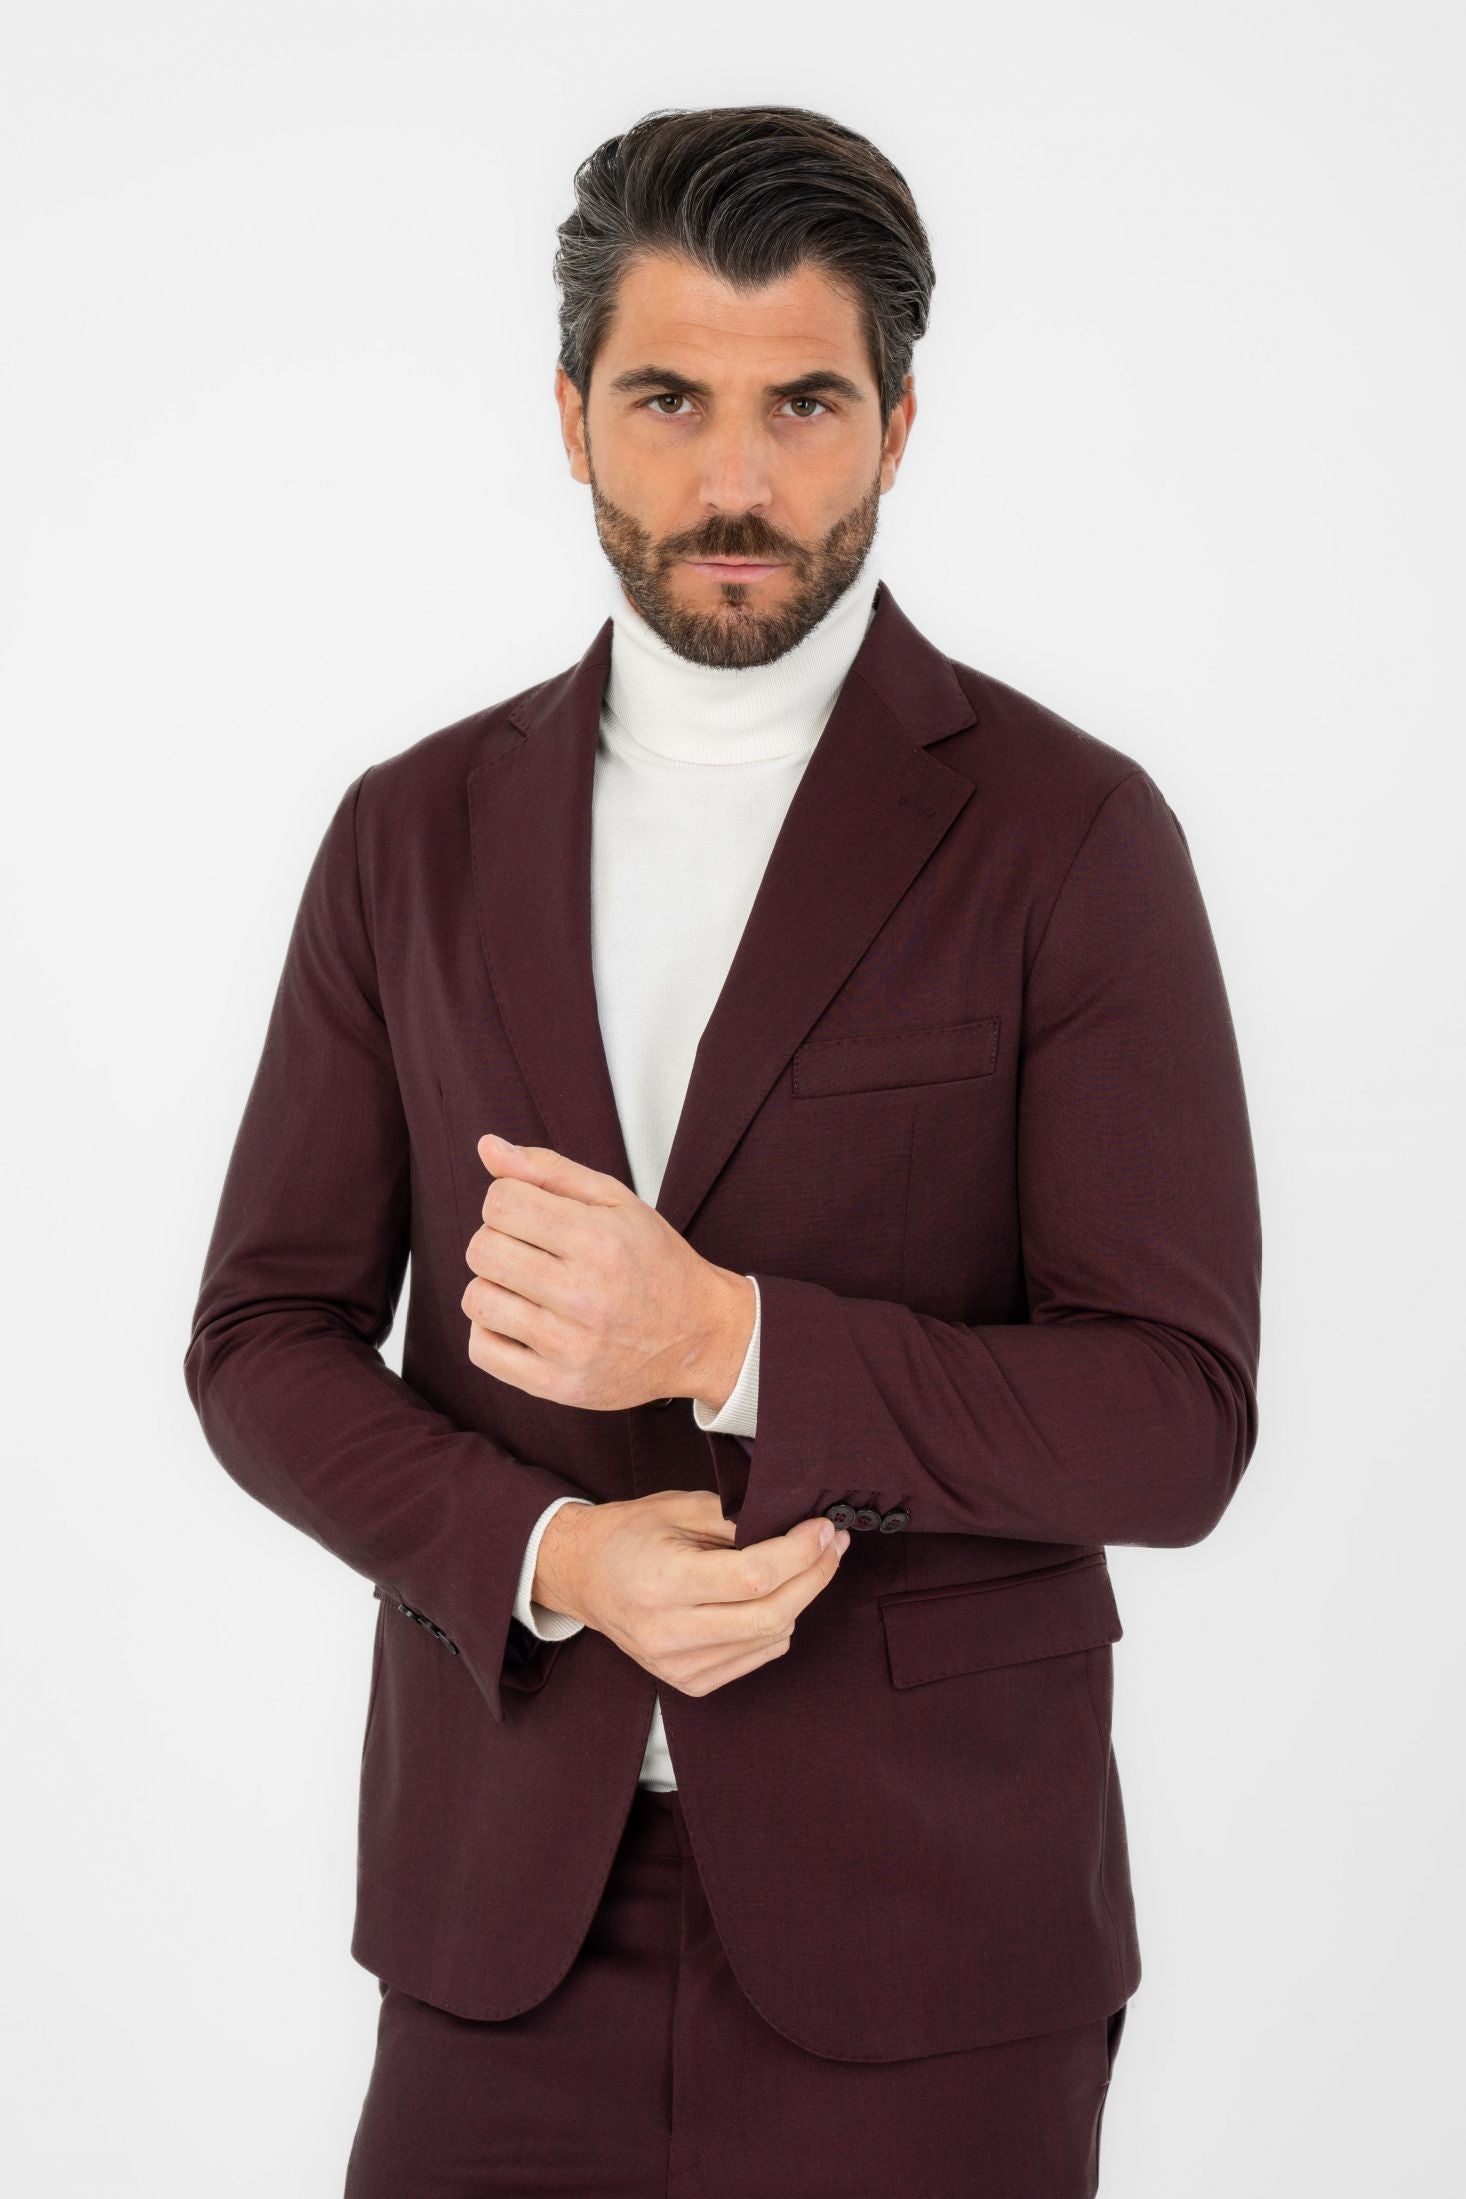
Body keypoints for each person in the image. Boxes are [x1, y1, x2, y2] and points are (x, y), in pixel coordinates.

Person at [184, 102, 1262, 2197]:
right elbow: (261, 1338)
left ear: (899, 423)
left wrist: (735, 1342)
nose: (735, 482)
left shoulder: (1071, 835)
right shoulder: (409, 837)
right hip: (501, 1929)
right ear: (570, 414)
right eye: (669, 399)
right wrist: (553, 1556)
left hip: (938, 1935)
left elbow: (1174, 1419)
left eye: (805, 405)